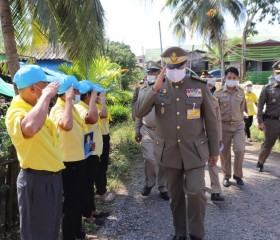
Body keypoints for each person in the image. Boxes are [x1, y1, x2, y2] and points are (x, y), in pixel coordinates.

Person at [135, 47, 219, 240]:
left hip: (195, 151)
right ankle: (180, 233)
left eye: (178, 66)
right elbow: (138, 113)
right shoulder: (156, 87)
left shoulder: (199, 86)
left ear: (185, 65)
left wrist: (214, 150)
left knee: (196, 192)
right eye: (170, 66)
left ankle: (197, 234)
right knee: (176, 198)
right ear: (165, 66)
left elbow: (211, 121)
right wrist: (155, 88)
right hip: (169, 152)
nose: (174, 69)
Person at [5, 65, 65, 240]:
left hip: (51, 179)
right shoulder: (16, 111)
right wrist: (46, 96)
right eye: (44, 86)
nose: (48, 89)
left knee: (50, 231)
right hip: (37, 181)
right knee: (37, 235)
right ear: (33, 89)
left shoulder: (34, 109)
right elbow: (30, 128)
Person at [49, 75, 91, 240]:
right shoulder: (59, 109)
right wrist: (67, 101)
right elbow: (66, 125)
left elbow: (78, 129)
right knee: (70, 203)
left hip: (79, 158)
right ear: (68, 92)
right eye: (76, 90)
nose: (78, 94)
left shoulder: (71, 108)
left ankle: (78, 233)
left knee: (77, 199)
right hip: (68, 162)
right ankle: (69, 236)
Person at [75, 80, 110, 224]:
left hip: (93, 147)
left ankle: (93, 210)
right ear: (88, 95)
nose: (97, 96)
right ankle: (87, 214)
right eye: (94, 94)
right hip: (87, 147)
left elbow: (103, 115)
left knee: (89, 182)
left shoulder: (88, 105)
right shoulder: (80, 107)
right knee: (87, 183)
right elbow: (92, 118)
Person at [135, 61, 169, 201]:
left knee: (164, 161)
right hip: (147, 131)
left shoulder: (169, 88)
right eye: (150, 73)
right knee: (150, 159)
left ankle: (163, 187)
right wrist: (137, 130)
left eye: (156, 72)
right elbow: (138, 112)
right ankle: (149, 184)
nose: (152, 75)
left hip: (165, 132)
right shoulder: (142, 90)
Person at [214, 67, 246, 187]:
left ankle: (238, 175)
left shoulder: (241, 91)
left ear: (238, 78)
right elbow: (214, 111)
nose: (232, 80)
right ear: (225, 78)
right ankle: (226, 176)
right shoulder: (218, 92)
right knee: (225, 153)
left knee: (240, 150)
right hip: (224, 126)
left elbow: (242, 109)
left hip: (238, 126)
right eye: (229, 77)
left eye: (234, 78)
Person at [256, 60, 280, 172]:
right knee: (268, 145)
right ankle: (260, 162)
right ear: (275, 74)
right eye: (278, 73)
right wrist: (260, 121)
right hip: (271, 122)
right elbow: (260, 105)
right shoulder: (267, 88)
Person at [95, 84, 115, 202]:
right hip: (99, 138)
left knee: (103, 165)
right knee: (100, 166)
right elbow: (104, 115)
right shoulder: (95, 106)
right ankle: (101, 192)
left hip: (104, 137)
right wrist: (102, 101)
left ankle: (101, 189)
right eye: (102, 94)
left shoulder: (100, 105)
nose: (104, 96)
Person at [206, 79, 224, 202]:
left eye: (210, 87)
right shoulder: (191, 100)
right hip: (195, 137)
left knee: (213, 162)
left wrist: (219, 138)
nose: (207, 88)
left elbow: (218, 122)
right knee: (194, 164)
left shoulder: (214, 102)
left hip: (210, 136)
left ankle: (216, 191)